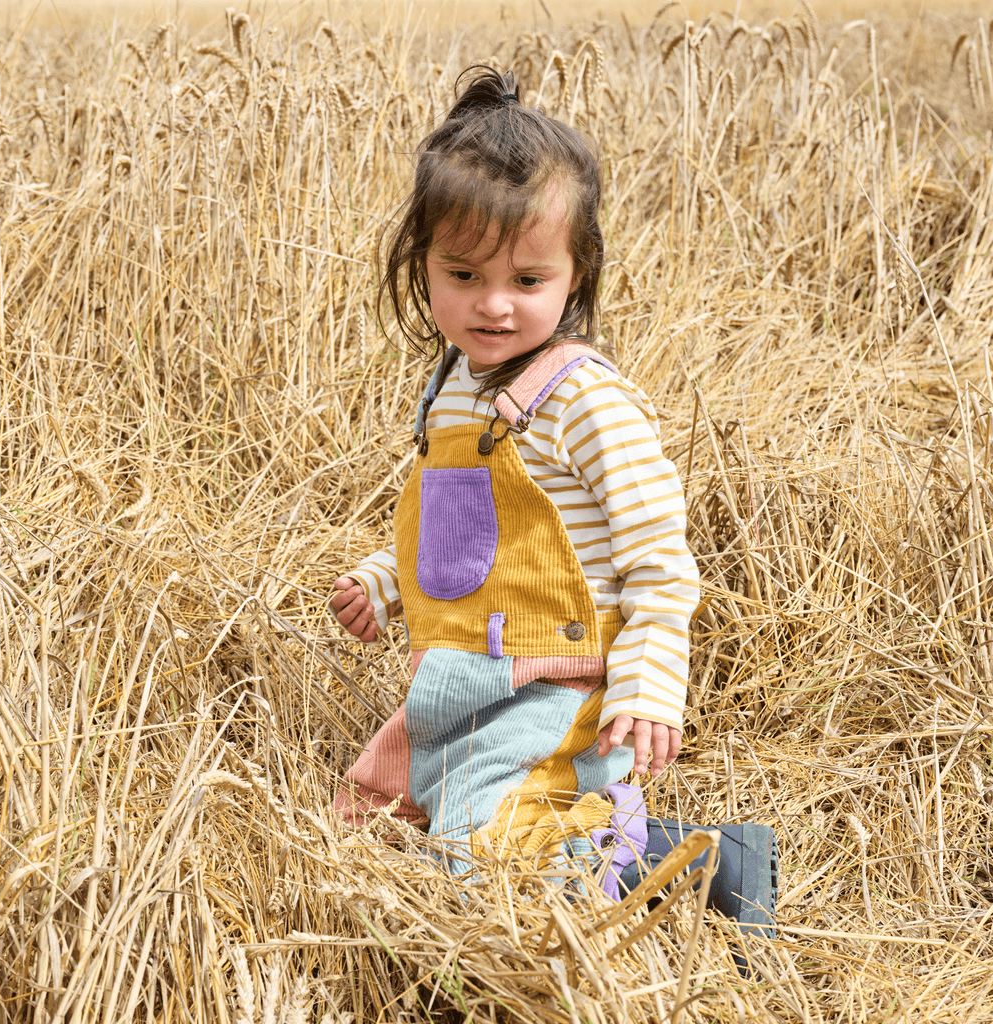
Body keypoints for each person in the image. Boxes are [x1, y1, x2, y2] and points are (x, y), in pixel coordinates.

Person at [329, 66, 775, 938]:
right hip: (456, 677)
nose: (493, 306)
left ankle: (708, 864)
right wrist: (390, 581)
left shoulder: (585, 401)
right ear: (422, 267)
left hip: (554, 684)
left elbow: (658, 559)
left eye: (528, 282)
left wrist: (648, 685)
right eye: (463, 275)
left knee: (493, 850)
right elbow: (468, 532)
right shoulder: (452, 384)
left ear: (577, 273)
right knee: (373, 815)